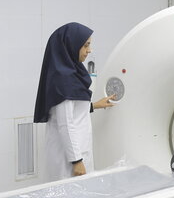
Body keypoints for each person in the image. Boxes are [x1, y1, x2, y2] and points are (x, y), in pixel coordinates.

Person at [33, 22, 115, 180]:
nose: (89, 50)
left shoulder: (72, 73)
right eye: (85, 45)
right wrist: (76, 161)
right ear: (71, 46)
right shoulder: (63, 79)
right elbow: (65, 123)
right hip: (69, 158)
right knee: (70, 193)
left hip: (77, 151)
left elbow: (71, 110)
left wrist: (95, 105)